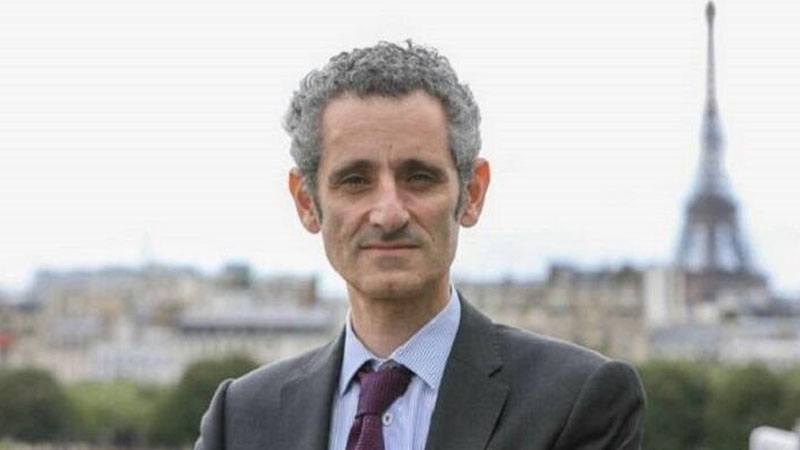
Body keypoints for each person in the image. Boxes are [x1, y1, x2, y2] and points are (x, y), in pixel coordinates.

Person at [195, 41, 645, 450]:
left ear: (472, 194)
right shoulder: (240, 418)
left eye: (419, 177)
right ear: (307, 203)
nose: (389, 213)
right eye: (355, 181)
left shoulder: (576, 402)